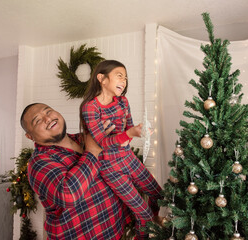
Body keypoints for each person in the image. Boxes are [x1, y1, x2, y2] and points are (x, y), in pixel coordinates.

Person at [20, 103, 131, 240]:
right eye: (37, 120)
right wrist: (93, 151)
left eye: (48, 111)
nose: (47, 119)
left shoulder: (83, 139)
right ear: (30, 136)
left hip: (116, 231)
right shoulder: (38, 163)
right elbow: (69, 195)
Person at [80, 60, 163, 239]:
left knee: (159, 195)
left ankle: (155, 225)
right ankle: (145, 227)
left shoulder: (123, 101)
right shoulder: (90, 107)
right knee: (144, 215)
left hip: (128, 158)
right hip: (110, 167)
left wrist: (138, 132)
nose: (124, 81)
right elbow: (100, 141)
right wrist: (128, 134)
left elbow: (130, 127)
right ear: (102, 78)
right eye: (119, 76)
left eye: (125, 78)